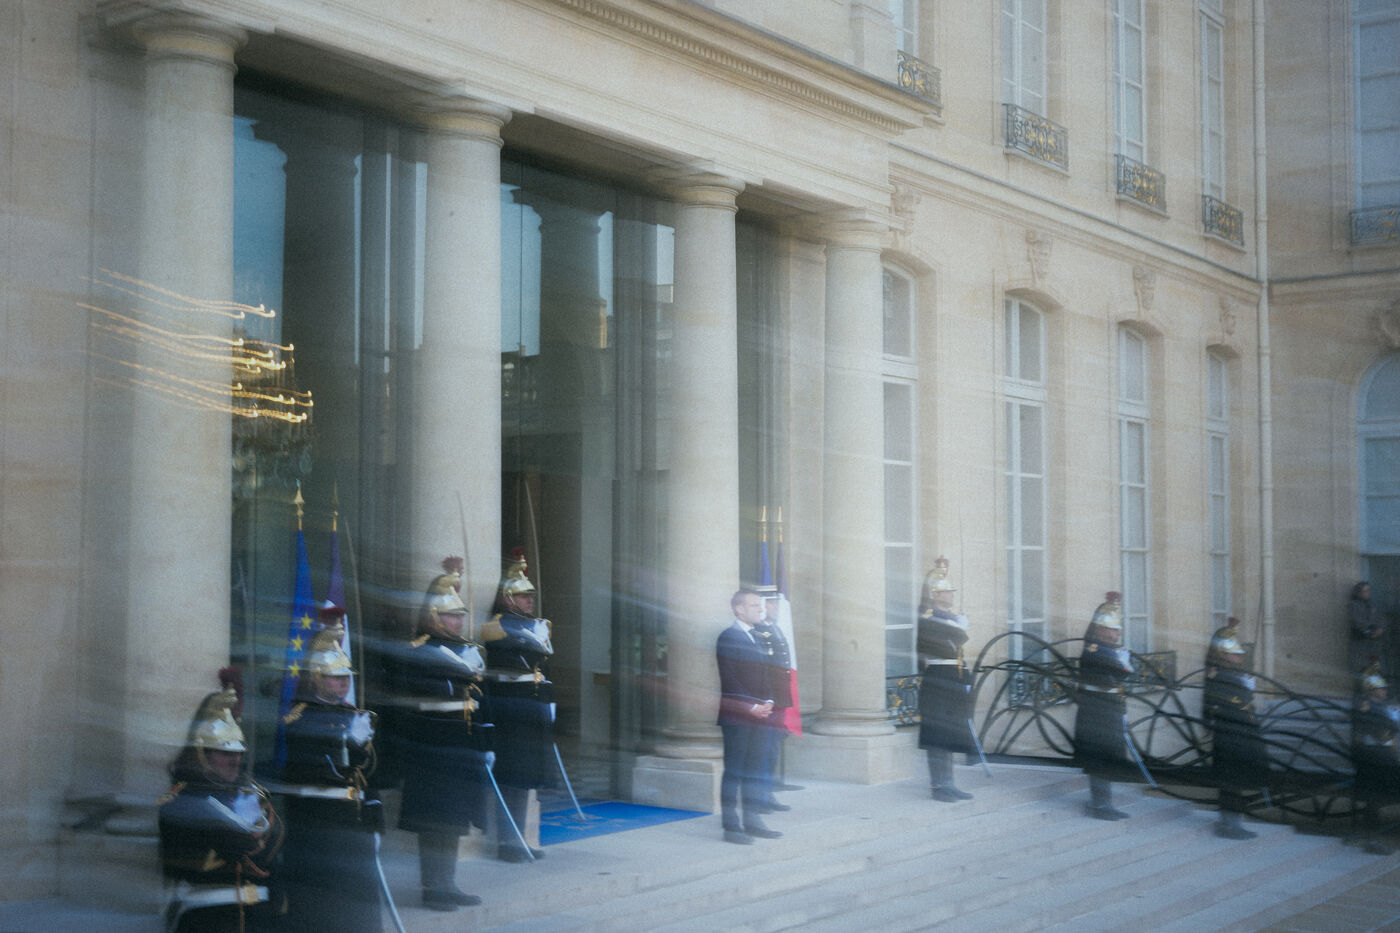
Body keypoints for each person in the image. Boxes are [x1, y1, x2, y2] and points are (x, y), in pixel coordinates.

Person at [378, 557, 492, 911]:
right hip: (430, 747)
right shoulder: (418, 652)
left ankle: (449, 882)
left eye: (459, 616)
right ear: (433, 617)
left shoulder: (468, 651)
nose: (457, 622)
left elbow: (479, 700)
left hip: (462, 745)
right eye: (449, 616)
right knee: (434, 820)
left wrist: (485, 744)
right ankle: (432, 887)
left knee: (455, 819)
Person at [279, 618, 384, 931]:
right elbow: (317, 766)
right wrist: (345, 741)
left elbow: (368, 772)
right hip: (318, 821)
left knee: (360, 904)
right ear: (316, 677)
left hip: (353, 820)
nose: (343, 684)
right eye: (336, 678)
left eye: (346, 678)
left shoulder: (353, 715)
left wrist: (374, 814)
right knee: (322, 907)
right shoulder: (299, 716)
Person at [158, 676, 285, 932]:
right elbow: (240, 845)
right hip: (208, 918)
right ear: (202, 754)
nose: (235, 761)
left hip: (258, 917)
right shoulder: (182, 800)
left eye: (238, 753)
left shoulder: (248, 793)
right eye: (225, 753)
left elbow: (276, 846)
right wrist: (252, 823)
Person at [480, 546, 556, 862]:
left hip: (532, 705)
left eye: (530, 596)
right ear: (509, 598)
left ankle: (520, 839)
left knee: (526, 780)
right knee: (511, 778)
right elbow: (514, 649)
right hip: (509, 708)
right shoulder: (497, 625)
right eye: (524, 596)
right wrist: (534, 634)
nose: (530, 601)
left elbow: (543, 668)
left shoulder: (534, 625)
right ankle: (507, 842)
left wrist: (549, 701)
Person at [716, 588, 784, 844]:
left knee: (754, 770)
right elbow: (729, 678)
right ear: (739, 609)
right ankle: (731, 826)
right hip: (737, 717)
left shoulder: (758, 636)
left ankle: (753, 821)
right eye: (755, 605)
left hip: (761, 716)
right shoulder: (728, 637)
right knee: (734, 771)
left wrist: (769, 701)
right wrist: (750, 707)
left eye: (761, 605)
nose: (761, 609)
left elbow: (767, 676)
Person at [1072, 591, 1138, 820]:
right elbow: (1119, 674)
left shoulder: (1109, 650)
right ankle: (1099, 804)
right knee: (1099, 758)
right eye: (1112, 629)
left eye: (1117, 629)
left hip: (1109, 709)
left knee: (1108, 757)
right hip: (1096, 712)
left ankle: (1105, 802)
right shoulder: (1094, 650)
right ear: (1100, 629)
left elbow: (1126, 673)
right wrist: (1124, 662)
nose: (1116, 633)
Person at [917, 556, 976, 802]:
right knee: (937, 735)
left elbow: (957, 648)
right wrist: (958, 627)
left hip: (952, 677)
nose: (951, 595)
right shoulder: (929, 617)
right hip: (937, 678)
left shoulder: (948, 617)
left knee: (950, 733)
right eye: (947, 592)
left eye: (950, 592)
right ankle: (938, 786)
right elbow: (946, 645)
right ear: (935, 594)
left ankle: (949, 783)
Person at [1203, 617, 1268, 840]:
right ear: (1223, 654)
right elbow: (1225, 703)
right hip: (1229, 734)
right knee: (1230, 781)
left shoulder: (1235, 674)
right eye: (1234, 654)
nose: (1239, 657)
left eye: (1239, 654)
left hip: (1241, 733)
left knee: (1237, 780)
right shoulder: (1217, 675)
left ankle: (1234, 822)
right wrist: (1244, 689)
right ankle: (1229, 825)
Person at [750, 584, 794, 813]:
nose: (777, 607)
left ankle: (767, 793)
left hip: (778, 698)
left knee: (772, 749)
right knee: (761, 750)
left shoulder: (773, 627)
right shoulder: (757, 631)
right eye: (773, 603)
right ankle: (758, 796)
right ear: (764, 605)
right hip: (767, 699)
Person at [1351, 660, 1399, 854]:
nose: (1385, 691)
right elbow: (1379, 732)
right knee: (1374, 801)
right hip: (1373, 758)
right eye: (1381, 689)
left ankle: (1371, 838)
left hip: (1381, 757)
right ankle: (1372, 840)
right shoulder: (1366, 706)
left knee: (1375, 800)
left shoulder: (1381, 707)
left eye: (1384, 688)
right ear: (1371, 691)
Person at [1350, 582, 1387, 677]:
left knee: (1376, 674)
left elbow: (1381, 620)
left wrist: (1380, 629)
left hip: (1374, 648)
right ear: (1359, 593)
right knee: (1364, 674)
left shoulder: (1373, 606)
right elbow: (1358, 624)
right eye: (1365, 591)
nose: (1368, 593)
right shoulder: (1354, 605)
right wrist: (1370, 632)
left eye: (1369, 590)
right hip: (1361, 647)